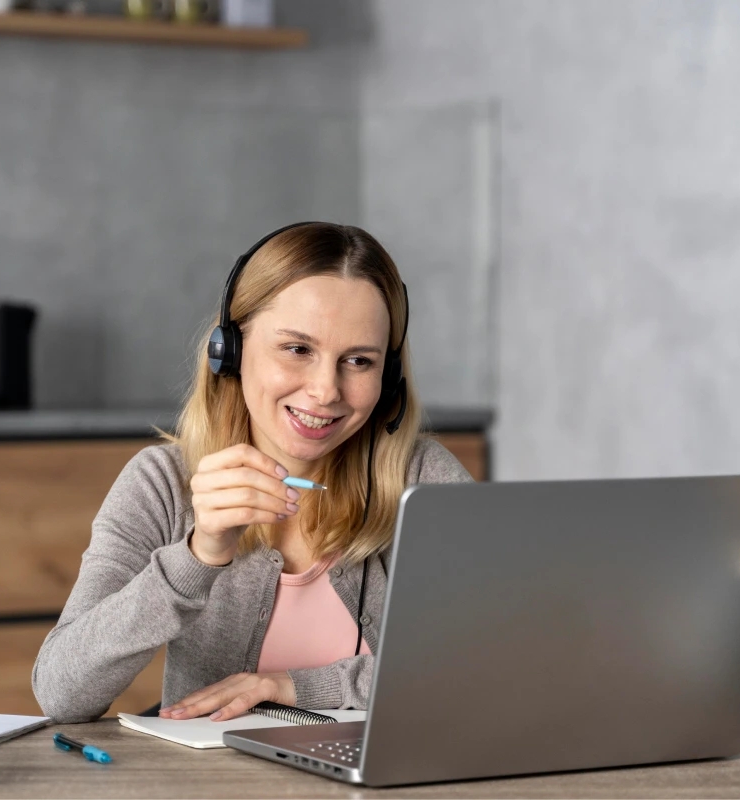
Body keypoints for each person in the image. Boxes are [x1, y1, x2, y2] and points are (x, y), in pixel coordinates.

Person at [32, 222, 473, 724]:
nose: (326, 390)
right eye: (297, 349)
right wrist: (199, 556)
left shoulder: (422, 480)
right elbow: (61, 693)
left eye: (358, 360)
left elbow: (483, 664)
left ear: (387, 378)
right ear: (231, 352)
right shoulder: (160, 485)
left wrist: (291, 686)